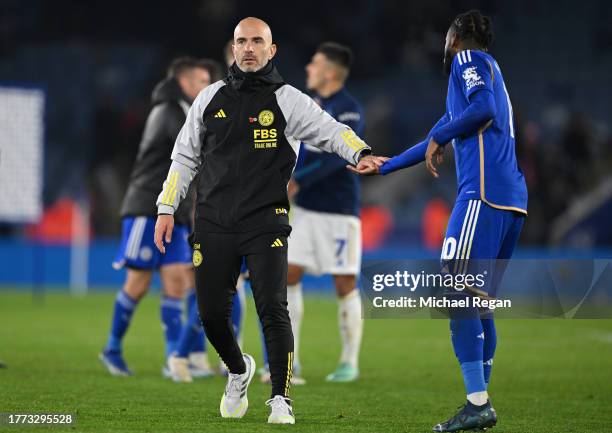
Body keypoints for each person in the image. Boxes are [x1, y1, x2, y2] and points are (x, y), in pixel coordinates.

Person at [154, 17, 384, 424]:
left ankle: (281, 397)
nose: (248, 48)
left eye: (257, 41)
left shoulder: (288, 99)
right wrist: (165, 208)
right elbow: (183, 157)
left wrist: (359, 151)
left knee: (273, 309)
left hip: (267, 220)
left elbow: (331, 131)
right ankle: (238, 370)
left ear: (271, 50)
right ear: (233, 48)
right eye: (241, 41)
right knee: (210, 315)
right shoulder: (210, 98)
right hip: (213, 221)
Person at [351, 10, 527, 432]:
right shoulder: (489, 75)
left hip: (482, 194)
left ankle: (477, 403)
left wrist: (440, 138)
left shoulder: (470, 62)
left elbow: (476, 113)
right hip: (511, 201)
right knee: (476, 301)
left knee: (454, 292)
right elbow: (445, 127)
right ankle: (479, 402)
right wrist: (387, 165)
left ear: (456, 37)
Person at [99, 57, 222, 377]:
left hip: (176, 213)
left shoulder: (184, 110)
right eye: (200, 82)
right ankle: (111, 348)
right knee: (138, 283)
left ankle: (172, 359)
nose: (204, 88)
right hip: (146, 208)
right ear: (183, 81)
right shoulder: (169, 110)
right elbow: (198, 148)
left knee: (177, 283)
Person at [263, 42, 366, 384]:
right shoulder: (311, 106)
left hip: (338, 211)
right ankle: (291, 360)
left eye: (315, 63)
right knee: (289, 276)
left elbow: (339, 157)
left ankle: (349, 362)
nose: (308, 67)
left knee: (344, 282)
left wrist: (297, 181)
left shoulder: (348, 109)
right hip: (305, 211)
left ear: (331, 72)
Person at [167, 44, 248, 383]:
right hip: (214, 213)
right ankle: (183, 355)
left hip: (248, 212)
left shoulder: (265, 105)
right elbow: (186, 161)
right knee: (214, 294)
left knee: (235, 294)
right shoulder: (210, 108)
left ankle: (215, 357)